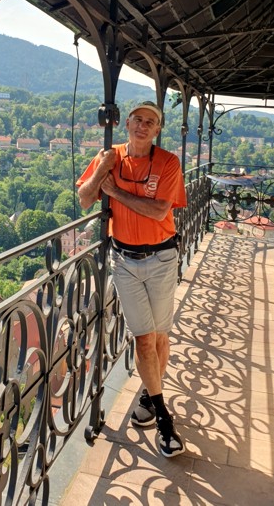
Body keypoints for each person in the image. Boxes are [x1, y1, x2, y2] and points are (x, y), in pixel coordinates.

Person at [77, 101, 187, 458]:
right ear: (127, 123)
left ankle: (148, 395)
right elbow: (84, 199)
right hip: (124, 260)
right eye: (137, 119)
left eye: (150, 122)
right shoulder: (111, 157)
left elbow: (158, 210)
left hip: (161, 258)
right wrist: (101, 170)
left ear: (157, 129)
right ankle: (164, 419)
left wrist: (115, 192)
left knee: (160, 337)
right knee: (143, 340)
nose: (142, 125)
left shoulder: (168, 162)